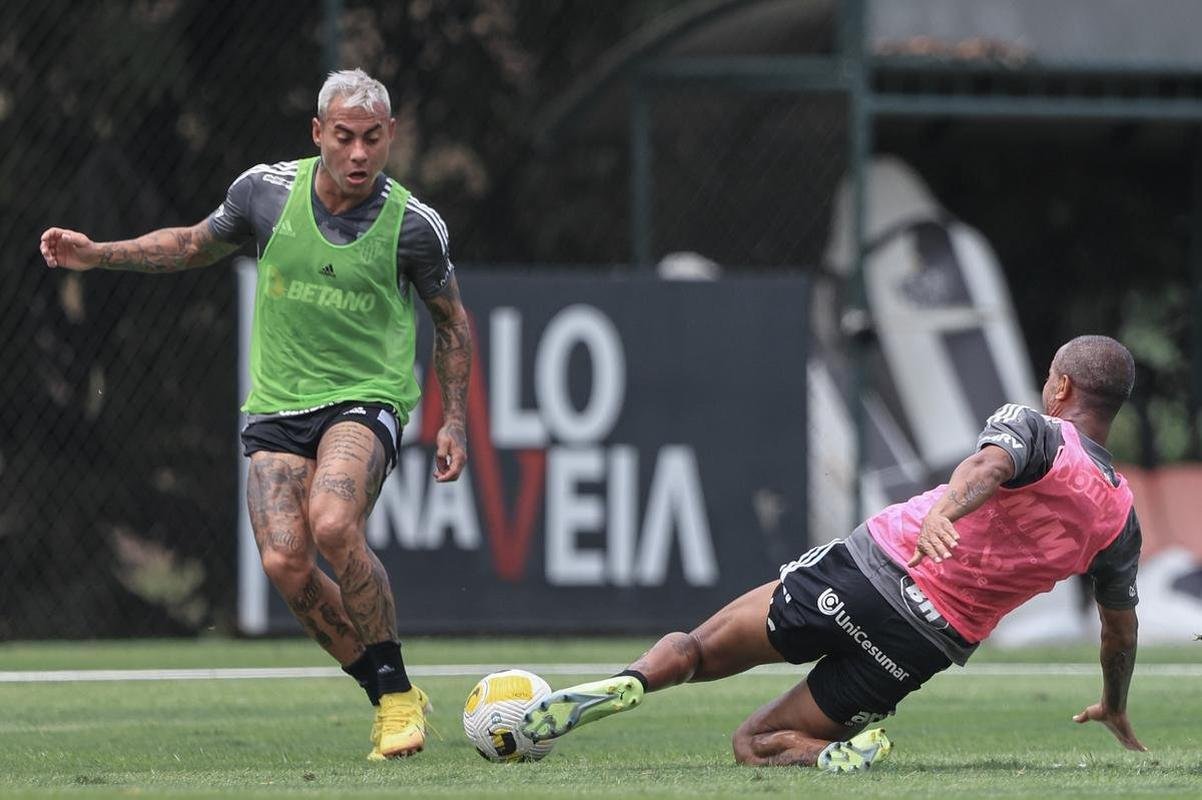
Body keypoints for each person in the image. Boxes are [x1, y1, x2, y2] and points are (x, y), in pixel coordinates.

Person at [39, 69, 469, 761]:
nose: (358, 155)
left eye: (372, 140)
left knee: (333, 524)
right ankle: (385, 690)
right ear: (317, 134)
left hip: (365, 400)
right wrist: (98, 255)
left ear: (389, 137)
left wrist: (453, 423)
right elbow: (189, 244)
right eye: (344, 138)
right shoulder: (265, 193)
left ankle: (395, 694)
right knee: (285, 565)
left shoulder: (413, 227)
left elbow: (451, 325)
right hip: (278, 405)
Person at [522, 335, 1145, 771]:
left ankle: (632, 682)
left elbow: (987, 466)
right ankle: (827, 758)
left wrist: (941, 512)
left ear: (1060, 385)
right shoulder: (1120, 517)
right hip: (920, 644)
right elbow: (1119, 630)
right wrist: (1114, 703)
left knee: (697, 649)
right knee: (755, 743)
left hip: (868, 573)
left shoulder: (1039, 429)